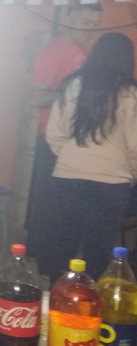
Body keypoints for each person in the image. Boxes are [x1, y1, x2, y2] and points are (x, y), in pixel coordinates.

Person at [41, 32, 137, 282]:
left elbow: (54, 134)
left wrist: (71, 158)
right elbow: (134, 145)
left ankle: (56, 294)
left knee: (63, 242)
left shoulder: (71, 85)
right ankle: (89, 300)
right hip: (112, 182)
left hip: (67, 176)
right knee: (98, 250)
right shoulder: (130, 94)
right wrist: (130, 173)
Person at [26, 3, 102, 275]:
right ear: (69, 16)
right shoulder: (53, 51)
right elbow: (36, 98)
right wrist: (71, 93)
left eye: (94, 26)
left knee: (63, 207)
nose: (89, 31)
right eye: (85, 23)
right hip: (52, 137)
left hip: (75, 139)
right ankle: (43, 266)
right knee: (50, 205)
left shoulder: (82, 53)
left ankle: (51, 262)